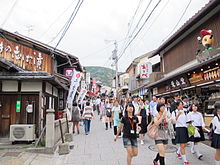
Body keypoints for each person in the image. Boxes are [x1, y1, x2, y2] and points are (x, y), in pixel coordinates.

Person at [172, 100, 189, 165]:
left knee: (184, 144)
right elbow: (173, 121)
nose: (182, 106)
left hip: (185, 128)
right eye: (180, 105)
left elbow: (187, 120)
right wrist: (178, 115)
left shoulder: (185, 111)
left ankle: (178, 152)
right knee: (182, 145)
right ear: (177, 106)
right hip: (179, 129)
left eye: (182, 104)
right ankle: (185, 161)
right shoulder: (174, 112)